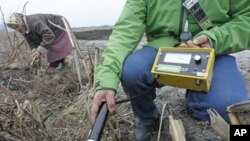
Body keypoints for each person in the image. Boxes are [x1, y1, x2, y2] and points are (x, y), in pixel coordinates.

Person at [90, 0, 250, 140]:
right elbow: (124, 33)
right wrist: (106, 81)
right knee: (131, 71)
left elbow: (246, 18)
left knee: (229, 108)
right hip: (162, 48)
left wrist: (215, 38)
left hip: (213, 50)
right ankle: (147, 119)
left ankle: (199, 103)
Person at [6, 13, 73, 74]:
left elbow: (49, 35)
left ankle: (55, 66)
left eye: (17, 26)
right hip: (51, 30)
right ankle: (64, 63)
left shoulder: (34, 22)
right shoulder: (23, 28)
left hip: (59, 24)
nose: (17, 30)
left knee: (54, 46)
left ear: (20, 21)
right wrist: (35, 51)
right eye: (14, 29)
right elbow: (31, 42)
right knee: (47, 45)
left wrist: (39, 51)